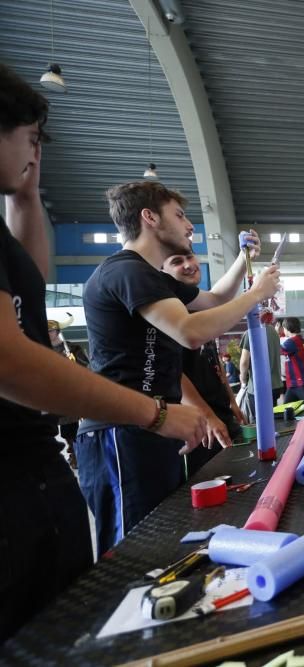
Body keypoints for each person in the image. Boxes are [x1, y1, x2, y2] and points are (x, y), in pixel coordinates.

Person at [0, 64, 207, 641]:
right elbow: (10, 361)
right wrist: (158, 412)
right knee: (126, 576)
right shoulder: (127, 273)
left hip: (40, 463)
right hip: (109, 436)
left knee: (72, 618)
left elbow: (30, 278)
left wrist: (26, 192)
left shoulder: (14, 224)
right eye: (31, 139)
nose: (35, 154)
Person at [76, 180, 280, 556]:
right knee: (132, 548)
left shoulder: (153, 278)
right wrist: (257, 294)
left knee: (162, 538)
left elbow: (216, 299)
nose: (189, 227)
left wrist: (243, 260)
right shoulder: (126, 272)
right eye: (181, 216)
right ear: (149, 217)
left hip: (156, 425)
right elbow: (190, 332)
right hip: (120, 432)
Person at [162, 251, 245, 472]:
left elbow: (213, 359)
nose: (189, 265)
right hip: (200, 423)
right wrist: (207, 416)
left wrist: (232, 400)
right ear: (162, 272)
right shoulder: (168, 315)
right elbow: (174, 372)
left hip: (221, 413)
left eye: (190, 257)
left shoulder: (198, 307)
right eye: (177, 261)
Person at [47, 313, 89, 468]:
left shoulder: (71, 348)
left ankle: (76, 453)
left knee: (70, 428)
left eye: (50, 331)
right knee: (49, 428)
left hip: (69, 393)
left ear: (57, 332)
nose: (48, 334)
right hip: (48, 395)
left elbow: (85, 366)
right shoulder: (41, 349)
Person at [239, 316, 284, 418]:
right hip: (275, 385)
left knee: (258, 423)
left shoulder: (251, 332)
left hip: (258, 388)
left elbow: (244, 362)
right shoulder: (274, 332)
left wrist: (243, 380)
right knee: (271, 420)